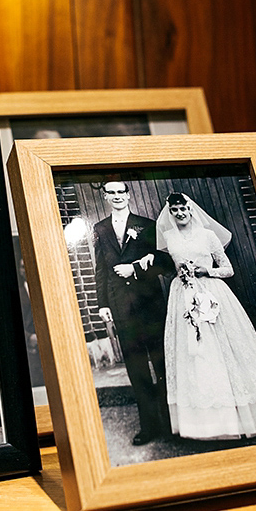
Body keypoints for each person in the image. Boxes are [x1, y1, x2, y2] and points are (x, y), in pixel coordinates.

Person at [157, 192, 256, 441]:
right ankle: (206, 423)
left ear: (191, 208)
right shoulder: (168, 239)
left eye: (183, 208)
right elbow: (170, 267)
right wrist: (184, 274)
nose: (180, 213)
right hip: (184, 296)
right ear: (170, 213)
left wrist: (204, 270)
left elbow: (228, 269)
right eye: (174, 210)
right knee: (196, 353)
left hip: (212, 292)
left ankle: (249, 415)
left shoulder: (208, 236)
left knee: (227, 348)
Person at [93, 180, 170, 446]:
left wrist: (135, 268)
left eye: (120, 192)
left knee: (161, 363)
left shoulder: (147, 225)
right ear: (105, 197)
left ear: (128, 195)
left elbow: (164, 262)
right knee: (136, 368)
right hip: (121, 308)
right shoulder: (100, 229)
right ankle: (149, 426)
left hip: (150, 305)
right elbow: (101, 269)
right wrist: (103, 304)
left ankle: (170, 422)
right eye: (111, 193)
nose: (117, 196)